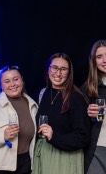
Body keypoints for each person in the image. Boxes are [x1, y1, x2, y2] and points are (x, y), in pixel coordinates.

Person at [32, 53, 91, 174]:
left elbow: (83, 136)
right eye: (54, 68)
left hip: (64, 159)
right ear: (48, 69)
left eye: (63, 69)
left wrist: (54, 137)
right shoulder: (45, 93)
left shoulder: (76, 97)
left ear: (69, 72)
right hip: (44, 154)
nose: (58, 73)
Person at [80, 40, 106, 174]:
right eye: (99, 57)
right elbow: (80, 125)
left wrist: (103, 113)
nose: (104, 60)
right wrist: (91, 117)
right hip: (98, 149)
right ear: (93, 61)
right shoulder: (87, 88)